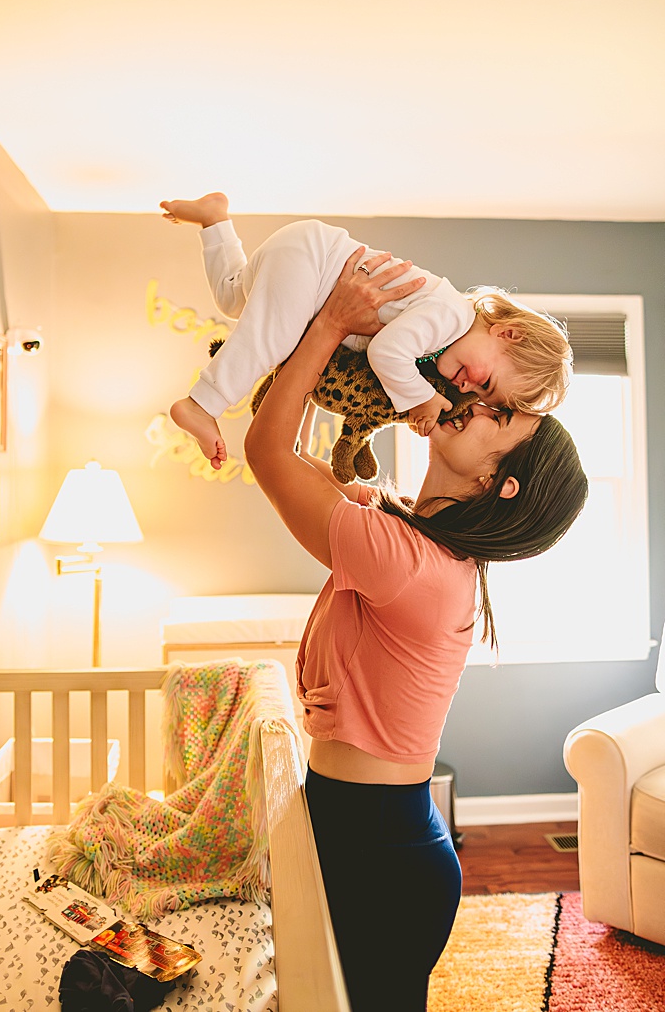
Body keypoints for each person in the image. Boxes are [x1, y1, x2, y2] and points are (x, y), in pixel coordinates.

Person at [243, 247, 588, 1011]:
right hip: (366, 830)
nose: (474, 404)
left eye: (498, 417)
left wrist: (331, 323)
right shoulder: (401, 531)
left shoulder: (406, 561)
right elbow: (294, 453)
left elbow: (266, 453)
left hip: (379, 851)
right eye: (496, 398)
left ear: (499, 482)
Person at [161, 193, 572, 471]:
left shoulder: (446, 334)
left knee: (235, 300)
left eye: (480, 395)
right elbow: (387, 353)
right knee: (274, 337)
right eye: (484, 381)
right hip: (314, 261)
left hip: (305, 253)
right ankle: (202, 403)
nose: (466, 386)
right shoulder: (451, 317)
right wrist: (421, 400)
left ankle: (215, 220)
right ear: (507, 335)